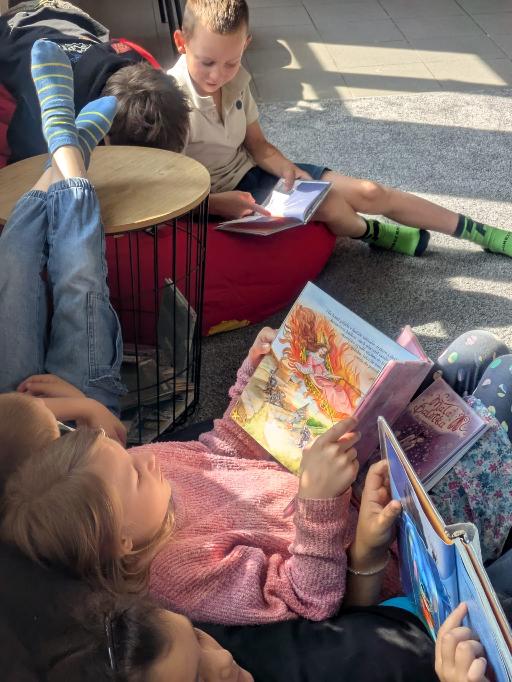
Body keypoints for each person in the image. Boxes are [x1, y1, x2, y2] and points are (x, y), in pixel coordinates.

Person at [167, 0, 512, 260]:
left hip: (254, 174)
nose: (218, 75)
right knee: (331, 203)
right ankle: (372, 232)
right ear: (181, 42)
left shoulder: (237, 81)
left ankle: (481, 233)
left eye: (232, 62)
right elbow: (165, 195)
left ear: (246, 44)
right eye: (207, 62)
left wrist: (289, 170)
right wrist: (218, 204)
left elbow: (258, 145)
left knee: (370, 191)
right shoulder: (166, 103)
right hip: (214, 198)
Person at [0, 39, 127, 438]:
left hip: (9, 415)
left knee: (11, 266)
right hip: (84, 426)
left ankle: (64, 145)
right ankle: (67, 144)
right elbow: (116, 438)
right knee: (80, 279)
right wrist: (81, 405)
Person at [0, 0, 190, 162]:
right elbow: (22, 167)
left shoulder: (138, 60)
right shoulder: (45, 111)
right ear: (104, 135)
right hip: (18, 24)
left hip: (70, 20)